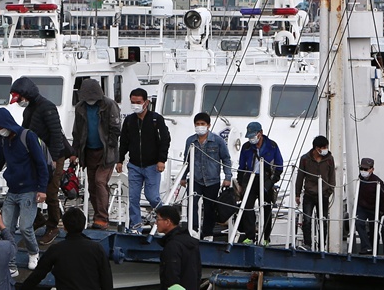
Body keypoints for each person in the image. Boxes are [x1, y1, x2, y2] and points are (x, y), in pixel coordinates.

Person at [0, 108, 50, 270]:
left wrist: (42, 189)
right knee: (7, 228)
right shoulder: (3, 140)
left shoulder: (28, 136)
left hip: (29, 190)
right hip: (12, 190)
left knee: (25, 227)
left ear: (7, 124)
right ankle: (10, 263)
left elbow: (41, 164)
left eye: (1, 128)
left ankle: (34, 253)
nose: (0, 132)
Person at [10, 77, 68, 245]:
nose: (19, 102)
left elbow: (56, 134)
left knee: (50, 192)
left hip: (54, 156)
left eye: (19, 99)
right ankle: (38, 220)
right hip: (38, 155)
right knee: (30, 189)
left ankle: (53, 226)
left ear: (26, 94)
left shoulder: (47, 107)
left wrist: (56, 159)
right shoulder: (29, 110)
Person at [116, 88, 171, 232]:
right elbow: (124, 142)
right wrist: (120, 160)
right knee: (133, 198)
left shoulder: (156, 119)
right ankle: (136, 227)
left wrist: (161, 160)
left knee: (152, 196)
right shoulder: (129, 121)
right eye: (133, 102)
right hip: (134, 165)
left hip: (152, 165)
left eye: (138, 102)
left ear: (146, 102)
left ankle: (167, 218)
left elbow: (164, 140)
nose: (135, 105)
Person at [71, 79, 121, 229]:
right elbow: (77, 132)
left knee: (100, 182)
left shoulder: (110, 105)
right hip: (88, 152)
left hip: (106, 152)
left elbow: (116, 128)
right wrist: (75, 152)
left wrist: (111, 146)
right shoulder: (80, 107)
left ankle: (102, 218)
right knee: (92, 185)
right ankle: (98, 216)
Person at [180, 112, 232, 241]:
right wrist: (183, 176)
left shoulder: (218, 140)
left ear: (208, 125)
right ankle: (194, 230)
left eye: (202, 124)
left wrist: (228, 177)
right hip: (195, 179)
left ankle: (208, 233)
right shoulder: (190, 141)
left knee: (210, 208)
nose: (200, 126)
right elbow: (187, 160)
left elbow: (226, 158)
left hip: (212, 180)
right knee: (192, 204)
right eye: (197, 124)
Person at [237, 122, 284, 245]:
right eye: (249, 136)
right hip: (249, 178)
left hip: (266, 179)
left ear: (260, 133)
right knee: (247, 206)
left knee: (266, 208)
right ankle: (250, 236)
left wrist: (272, 181)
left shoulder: (272, 146)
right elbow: (241, 166)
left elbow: (279, 166)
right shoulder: (246, 147)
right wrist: (240, 183)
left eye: (253, 135)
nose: (251, 139)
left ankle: (266, 238)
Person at [294, 135, 336, 251]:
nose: (325, 149)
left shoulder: (329, 159)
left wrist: (329, 190)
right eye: (323, 147)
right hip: (309, 194)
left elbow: (332, 176)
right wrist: (297, 194)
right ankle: (307, 244)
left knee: (322, 220)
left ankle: (322, 245)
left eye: (326, 147)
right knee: (307, 220)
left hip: (324, 194)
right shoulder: (305, 159)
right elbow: (300, 177)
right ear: (316, 148)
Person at [355, 157, 384, 255]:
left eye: (366, 169)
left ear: (372, 169)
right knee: (358, 223)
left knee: (374, 230)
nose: (363, 171)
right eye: (361, 169)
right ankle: (367, 247)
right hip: (362, 208)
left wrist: (382, 211)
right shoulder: (360, 179)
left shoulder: (377, 182)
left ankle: (373, 250)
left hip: (374, 209)